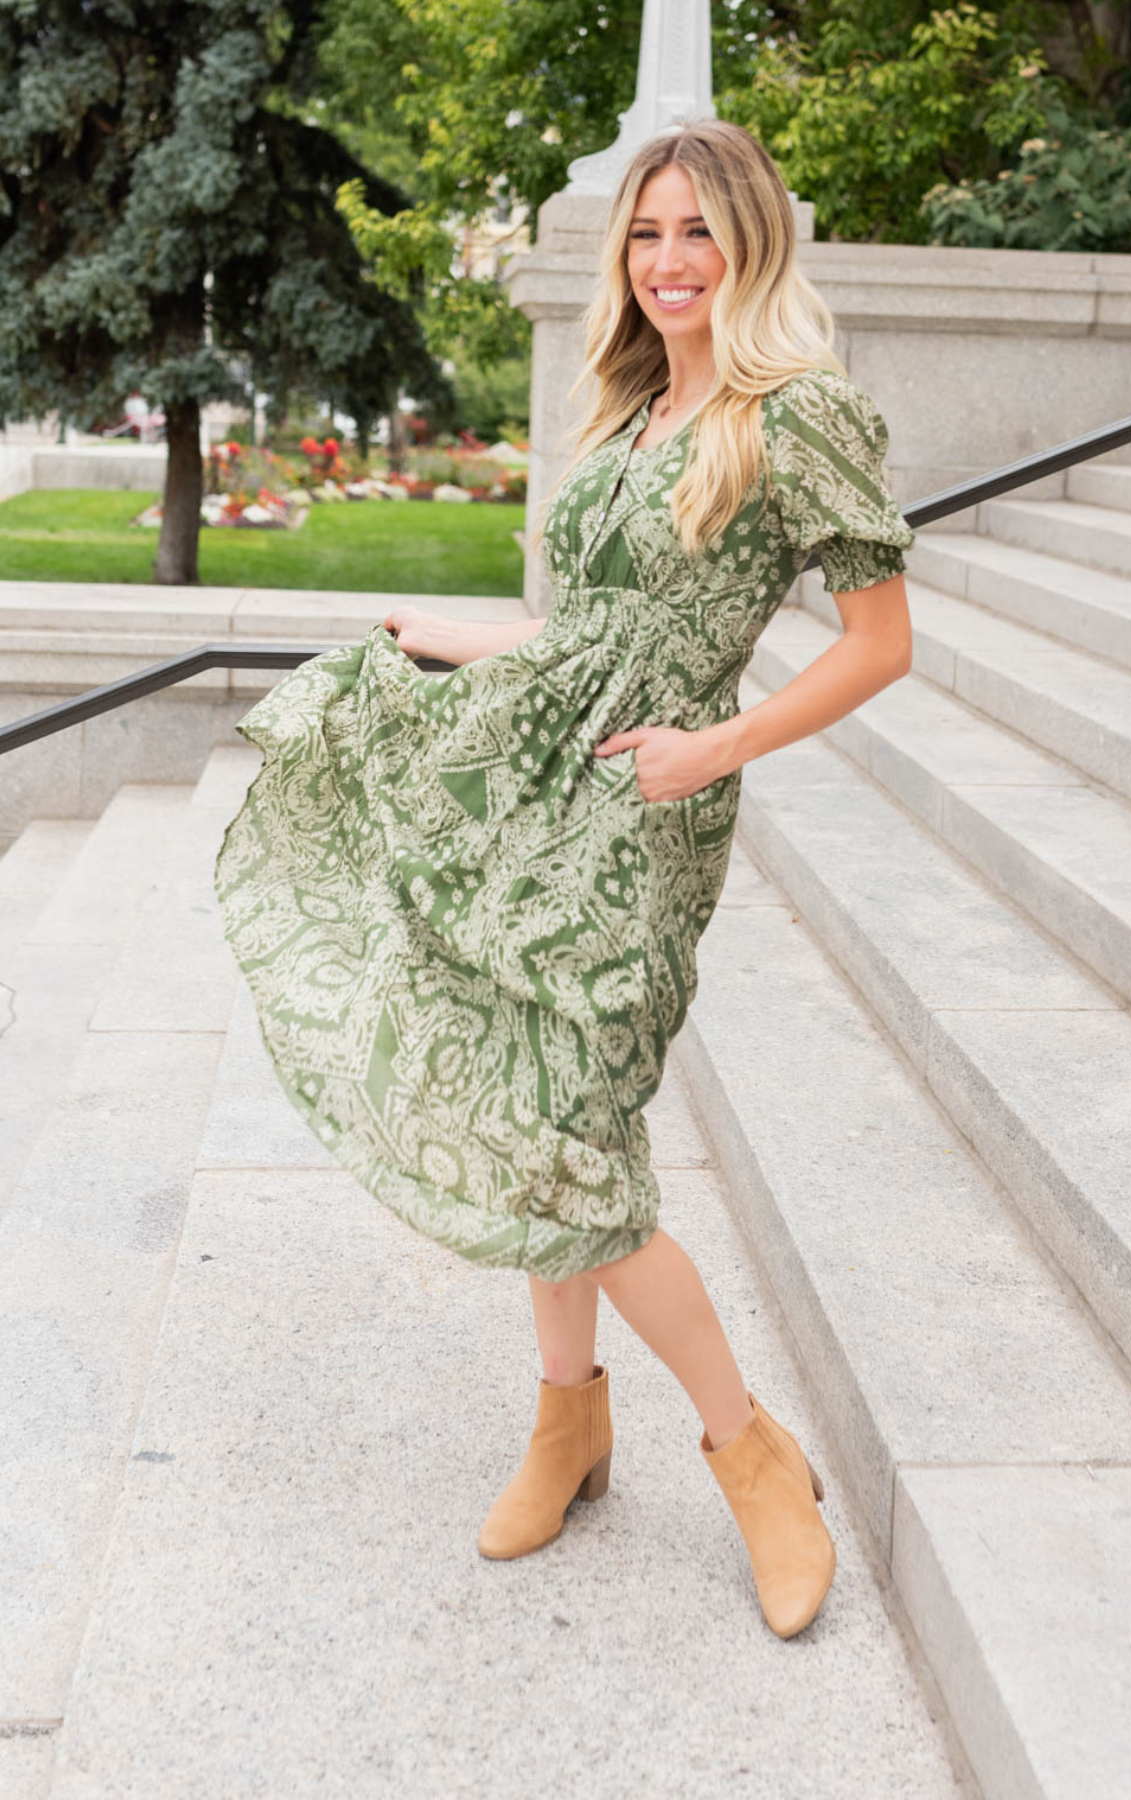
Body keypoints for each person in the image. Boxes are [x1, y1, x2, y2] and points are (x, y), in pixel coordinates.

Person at [213, 118, 915, 1641]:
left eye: (697, 234)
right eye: (647, 236)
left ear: (751, 245)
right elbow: (578, 630)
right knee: (525, 1111)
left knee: (568, 1141)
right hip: (531, 792)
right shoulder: (636, 409)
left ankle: (751, 1458)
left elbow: (878, 646)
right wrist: (432, 641)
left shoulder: (799, 416)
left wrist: (716, 746)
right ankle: (567, 1424)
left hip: (650, 813)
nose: (670, 264)